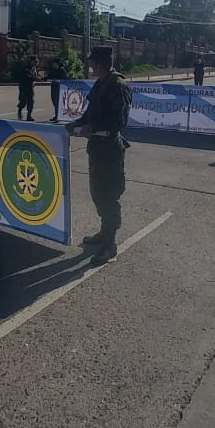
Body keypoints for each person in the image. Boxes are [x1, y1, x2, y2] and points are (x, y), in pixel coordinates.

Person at [68, 46, 132, 266]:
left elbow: (119, 121)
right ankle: (104, 233)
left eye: (94, 62)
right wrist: (76, 124)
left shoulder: (118, 86)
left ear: (103, 62)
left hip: (110, 150)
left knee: (108, 195)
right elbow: (89, 114)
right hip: (96, 148)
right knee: (97, 193)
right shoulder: (99, 84)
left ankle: (110, 244)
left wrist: (91, 128)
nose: (91, 66)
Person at [16, 55, 38, 121]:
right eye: (35, 61)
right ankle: (19, 110)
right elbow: (27, 77)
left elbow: (34, 77)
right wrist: (36, 78)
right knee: (23, 101)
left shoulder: (34, 69)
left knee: (31, 102)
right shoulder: (25, 68)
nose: (36, 63)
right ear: (31, 61)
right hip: (23, 87)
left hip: (30, 87)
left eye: (36, 62)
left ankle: (29, 116)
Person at [46, 57, 67, 122]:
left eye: (54, 63)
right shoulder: (52, 70)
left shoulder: (62, 70)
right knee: (54, 101)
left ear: (58, 64)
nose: (53, 65)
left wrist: (58, 80)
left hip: (59, 88)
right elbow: (48, 76)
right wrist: (42, 78)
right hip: (53, 87)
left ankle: (58, 117)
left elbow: (65, 79)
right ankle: (57, 116)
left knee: (57, 102)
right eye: (53, 64)